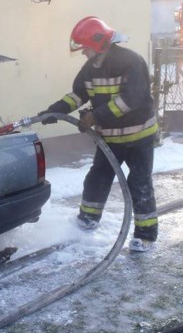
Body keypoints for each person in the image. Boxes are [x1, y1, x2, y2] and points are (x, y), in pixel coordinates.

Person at [38, 16, 159, 252]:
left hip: (138, 138)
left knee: (139, 184)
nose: (83, 53)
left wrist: (95, 117)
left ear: (99, 44)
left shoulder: (131, 62)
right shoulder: (90, 68)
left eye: (86, 49)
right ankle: (87, 222)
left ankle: (145, 235)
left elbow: (131, 100)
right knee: (97, 179)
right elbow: (78, 95)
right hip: (110, 139)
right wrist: (56, 110)